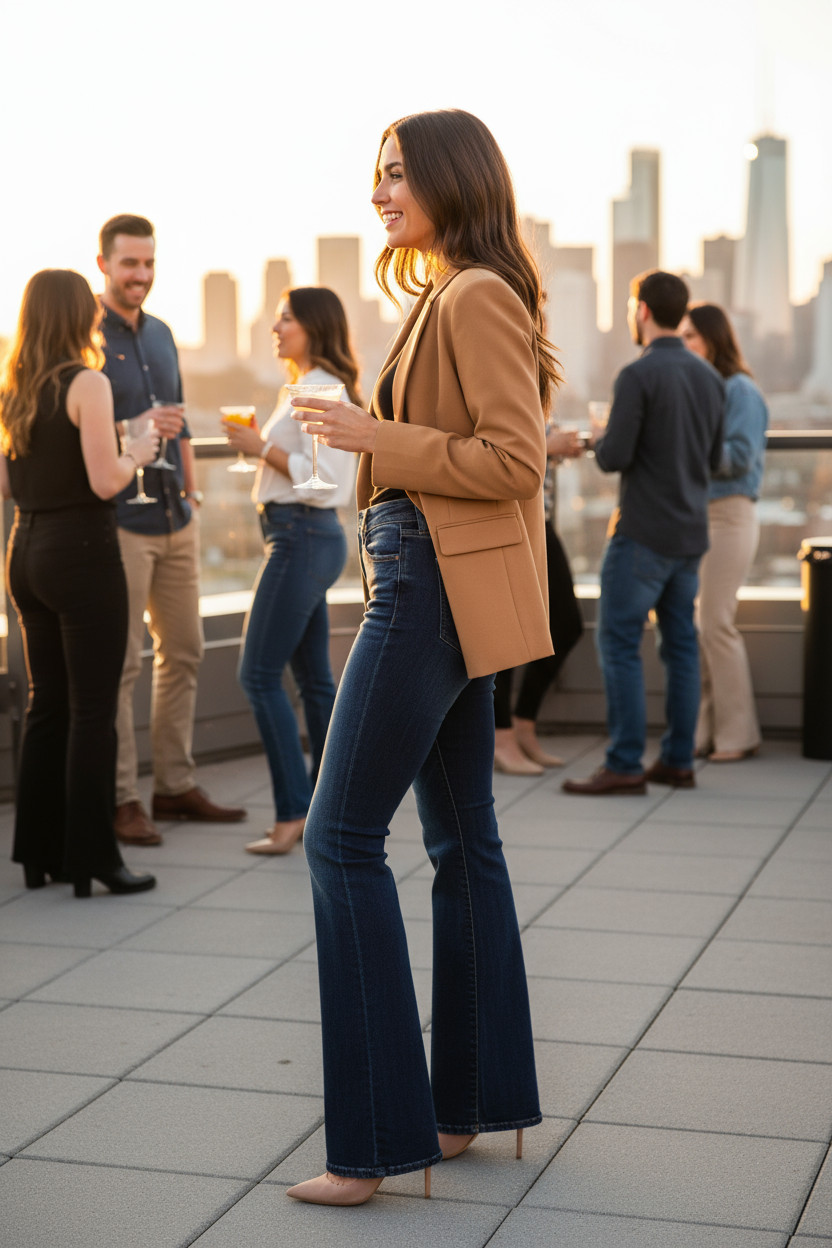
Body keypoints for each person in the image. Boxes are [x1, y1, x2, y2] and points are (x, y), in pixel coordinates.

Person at [283, 108, 556, 1208]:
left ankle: (369, 1148)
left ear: (448, 178)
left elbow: (513, 460)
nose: (379, 193)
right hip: (440, 574)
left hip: (429, 580)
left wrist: (370, 438)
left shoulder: (477, 294)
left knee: (340, 839)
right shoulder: (453, 291)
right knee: (460, 839)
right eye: (376, 175)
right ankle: (462, 1109)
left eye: (395, 174)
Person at [0, 270, 159, 897]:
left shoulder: (14, 388)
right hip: (83, 553)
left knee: (47, 704)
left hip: (25, 552)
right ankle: (95, 855)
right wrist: (138, 452)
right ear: (74, 315)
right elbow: (103, 481)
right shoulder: (88, 382)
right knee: (93, 710)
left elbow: (9, 487)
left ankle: (40, 853)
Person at [97, 214, 246, 846]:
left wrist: (190, 491)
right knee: (122, 664)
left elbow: (179, 424)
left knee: (183, 651)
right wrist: (133, 432)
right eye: (130, 263)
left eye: (149, 264)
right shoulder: (84, 339)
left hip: (174, 517)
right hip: (121, 524)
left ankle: (174, 785)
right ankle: (122, 798)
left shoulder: (162, 335)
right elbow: (81, 437)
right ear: (103, 263)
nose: (142, 275)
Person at [564, 270, 724, 796]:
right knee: (680, 646)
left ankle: (625, 763)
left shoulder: (638, 375)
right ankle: (678, 760)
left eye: (633, 306)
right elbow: (716, 459)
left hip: (641, 535)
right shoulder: (709, 378)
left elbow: (614, 458)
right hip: (690, 534)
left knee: (619, 644)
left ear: (643, 310)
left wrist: (601, 437)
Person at [221, 287, 358, 854]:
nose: (276, 328)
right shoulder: (305, 385)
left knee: (257, 675)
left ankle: (293, 813)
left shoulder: (322, 387)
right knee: (314, 682)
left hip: (302, 534)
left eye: (286, 320)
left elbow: (329, 484)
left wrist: (260, 448)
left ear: (313, 326)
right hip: (297, 536)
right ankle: (336, 808)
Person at [680, 302, 768, 761]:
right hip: (701, 515)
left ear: (714, 339)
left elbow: (739, 457)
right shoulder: (705, 389)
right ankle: (703, 733)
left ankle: (738, 734)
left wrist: (685, 446)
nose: (685, 344)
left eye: (691, 335)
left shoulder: (740, 391)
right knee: (701, 627)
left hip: (730, 516)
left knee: (716, 624)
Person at [493, 425, 584, 773]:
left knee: (567, 626)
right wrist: (547, 445)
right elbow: (491, 447)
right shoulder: (503, 371)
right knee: (508, 631)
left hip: (538, 518)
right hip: (509, 516)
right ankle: (501, 738)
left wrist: (556, 448)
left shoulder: (537, 380)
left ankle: (522, 725)